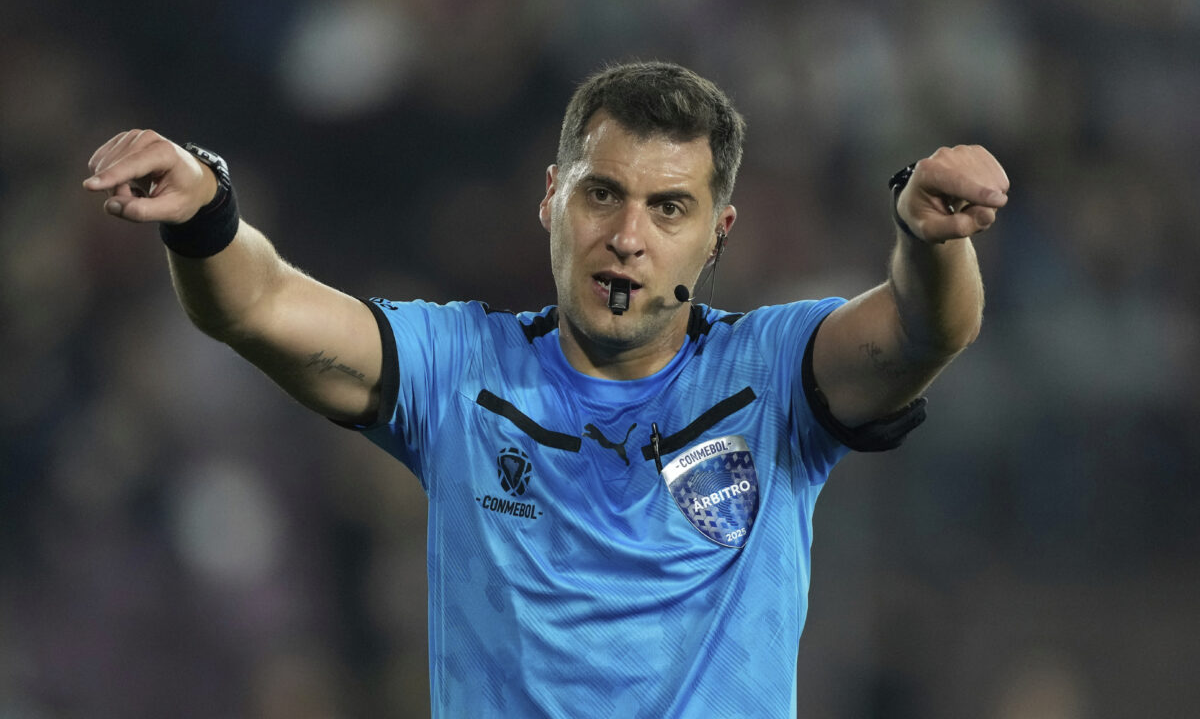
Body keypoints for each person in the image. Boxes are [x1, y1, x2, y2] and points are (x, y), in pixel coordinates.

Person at [83, 61, 1008, 718]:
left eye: (669, 208)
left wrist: (931, 239)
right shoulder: (457, 370)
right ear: (551, 198)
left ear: (718, 234)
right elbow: (260, 305)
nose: (627, 237)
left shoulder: (772, 374)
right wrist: (206, 212)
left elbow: (925, 330)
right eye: (602, 194)